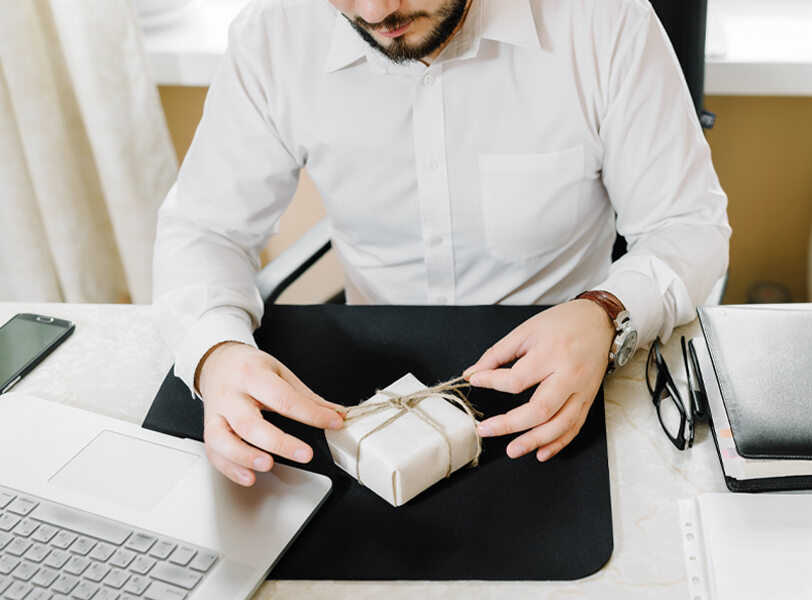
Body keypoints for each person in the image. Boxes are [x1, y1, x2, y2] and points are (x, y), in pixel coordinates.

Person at [152, 0, 731, 486]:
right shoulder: (273, 36)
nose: (376, 11)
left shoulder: (604, 22)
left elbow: (688, 226)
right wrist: (214, 353)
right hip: (367, 390)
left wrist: (607, 314)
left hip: (566, 383)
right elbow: (206, 228)